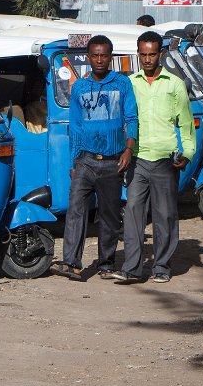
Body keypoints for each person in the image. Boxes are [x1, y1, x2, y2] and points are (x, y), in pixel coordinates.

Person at [50, 35, 138, 281]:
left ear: (111, 57)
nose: (99, 60)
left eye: (104, 55)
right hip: (86, 161)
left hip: (113, 161)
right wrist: (73, 163)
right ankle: (71, 263)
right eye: (95, 56)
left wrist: (129, 150)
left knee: (109, 216)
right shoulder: (78, 87)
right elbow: (76, 127)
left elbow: (131, 119)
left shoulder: (122, 84)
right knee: (76, 210)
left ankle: (106, 264)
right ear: (88, 58)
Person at [113, 31, 196, 285]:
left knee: (165, 215)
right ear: (137, 54)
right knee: (133, 214)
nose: (147, 59)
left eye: (152, 54)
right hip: (137, 159)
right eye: (143, 54)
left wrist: (188, 152)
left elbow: (186, 122)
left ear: (160, 54)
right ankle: (132, 268)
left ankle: (161, 266)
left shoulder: (174, 84)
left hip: (164, 160)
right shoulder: (130, 83)